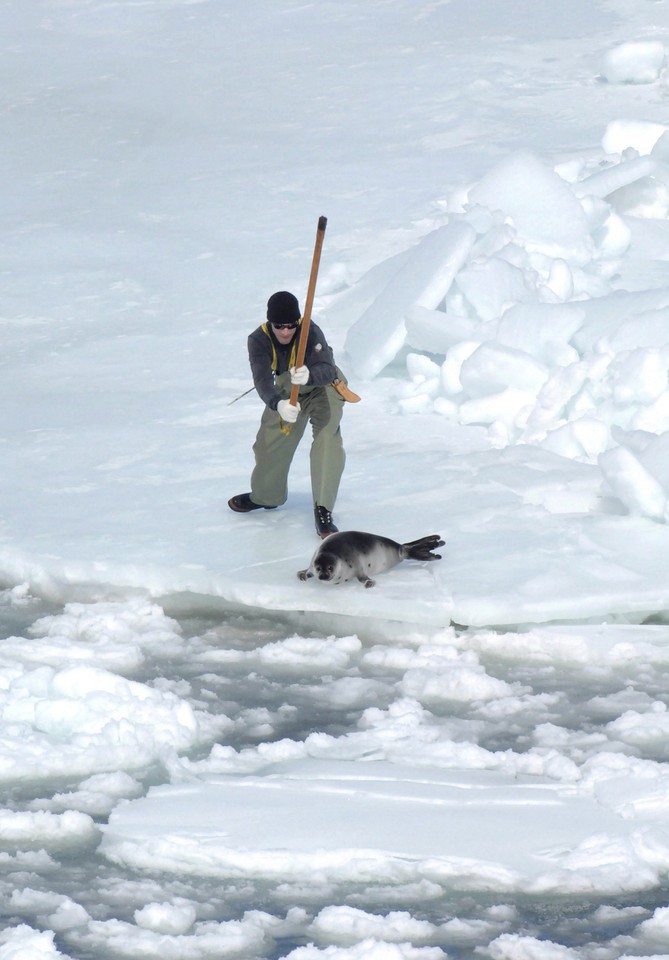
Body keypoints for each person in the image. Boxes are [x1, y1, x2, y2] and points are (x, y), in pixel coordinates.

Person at [228, 290, 346, 538]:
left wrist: (310, 375)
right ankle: (266, 495)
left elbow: (327, 367)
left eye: (291, 325)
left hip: (322, 387)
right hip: (286, 391)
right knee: (269, 444)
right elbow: (262, 380)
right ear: (270, 323)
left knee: (327, 440)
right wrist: (277, 404)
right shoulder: (258, 340)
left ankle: (323, 509)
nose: (285, 331)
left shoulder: (309, 331)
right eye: (279, 326)